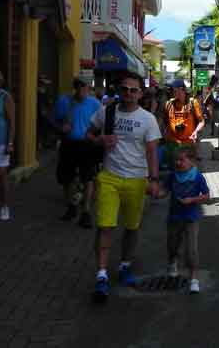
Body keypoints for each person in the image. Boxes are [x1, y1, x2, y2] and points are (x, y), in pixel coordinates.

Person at [87, 74, 161, 302]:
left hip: (137, 180)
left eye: (133, 90)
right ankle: (101, 275)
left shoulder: (148, 119)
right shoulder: (106, 112)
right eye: (124, 89)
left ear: (140, 93)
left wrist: (154, 180)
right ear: (119, 90)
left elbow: (151, 152)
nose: (128, 93)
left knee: (132, 227)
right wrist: (100, 140)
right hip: (109, 176)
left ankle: (125, 265)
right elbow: (88, 133)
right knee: (105, 225)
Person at [53, 76, 102, 227]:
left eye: (85, 86)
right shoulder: (64, 101)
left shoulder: (94, 103)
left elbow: (101, 123)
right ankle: (71, 207)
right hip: (68, 144)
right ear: (75, 87)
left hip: (87, 145)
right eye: (79, 86)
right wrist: (60, 128)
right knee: (66, 178)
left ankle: (86, 212)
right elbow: (53, 119)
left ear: (89, 88)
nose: (82, 89)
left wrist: (97, 139)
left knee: (88, 178)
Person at [161, 145, 209, 294]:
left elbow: (206, 196)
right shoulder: (172, 175)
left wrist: (193, 199)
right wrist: (156, 192)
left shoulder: (197, 177)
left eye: (181, 160)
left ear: (191, 161)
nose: (178, 163)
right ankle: (172, 262)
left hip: (191, 218)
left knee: (191, 249)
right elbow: (165, 190)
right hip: (174, 217)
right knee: (172, 244)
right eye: (176, 160)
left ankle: (193, 278)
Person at [163, 80, 205, 167]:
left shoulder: (193, 103)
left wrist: (196, 132)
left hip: (188, 144)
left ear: (181, 90)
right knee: (175, 171)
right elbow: (165, 122)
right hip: (173, 144)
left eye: (173, 90)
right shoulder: (168, 104)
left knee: (190, 172)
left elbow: (201, 121)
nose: (171, 92)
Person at [0, 71, 15, 221]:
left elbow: (12, 122)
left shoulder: (5, 97)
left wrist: (10, 143)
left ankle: (4, 206)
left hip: (1, 143)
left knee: (2, 174)